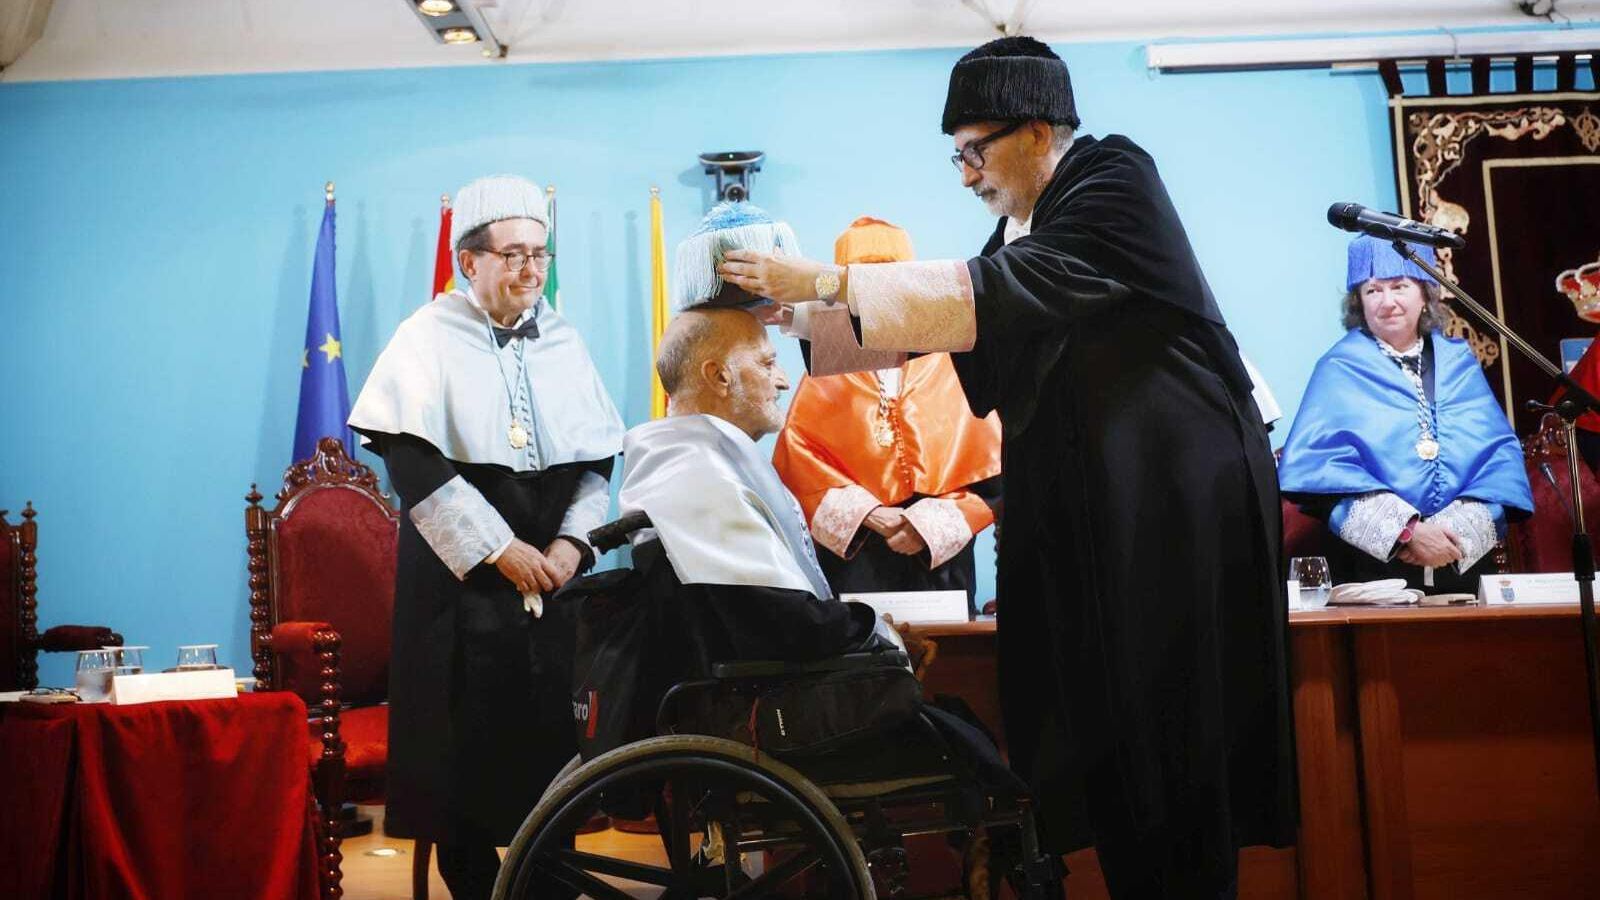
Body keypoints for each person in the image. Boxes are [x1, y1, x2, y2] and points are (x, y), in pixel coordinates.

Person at [716, 35, 1293, 898]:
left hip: (1166, 503)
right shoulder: (1031, 220)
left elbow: (989, 295)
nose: (966, 174)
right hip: (1099, 507)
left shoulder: (1112, 180)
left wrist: (832, 280)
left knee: (1170, 722)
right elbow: (965, 315)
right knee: (1104, 725)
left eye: (972, 151)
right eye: (957, 156)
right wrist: (794, 314)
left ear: (1034, 130)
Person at [347, 175, 624, 900]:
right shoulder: (425, 337)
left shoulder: (564, 337)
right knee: (462, 760)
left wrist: (571, 548)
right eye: (512, 256)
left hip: (554, 583)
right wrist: (500, 551)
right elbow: (412, 459)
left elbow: (597, 460)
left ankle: (549, 885)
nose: (532, 271)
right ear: (468, 260)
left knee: (552, 756)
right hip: (461, 584)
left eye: (540, 254)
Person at [771, 217, 1002, 613]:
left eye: (889, 277)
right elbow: (800, 472)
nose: (877, 294)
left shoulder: (951, 362)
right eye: (863, 279)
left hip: (938, 556)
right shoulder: (826, 369)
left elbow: (991, 474)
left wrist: (925, 525)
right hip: (858, 556)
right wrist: (871, 515)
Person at [1277, 235, 1533, 593]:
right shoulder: (1338, 367)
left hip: (1458, 558)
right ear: (1358, 302)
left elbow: (1499, 461)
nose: (1387, 302)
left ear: (1425, 294)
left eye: (1399, 286)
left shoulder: (1458, 361)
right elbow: (1321, 474)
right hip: (1371, 569)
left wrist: (1449, 537)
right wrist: (1407, 533)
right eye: (1372, 291)